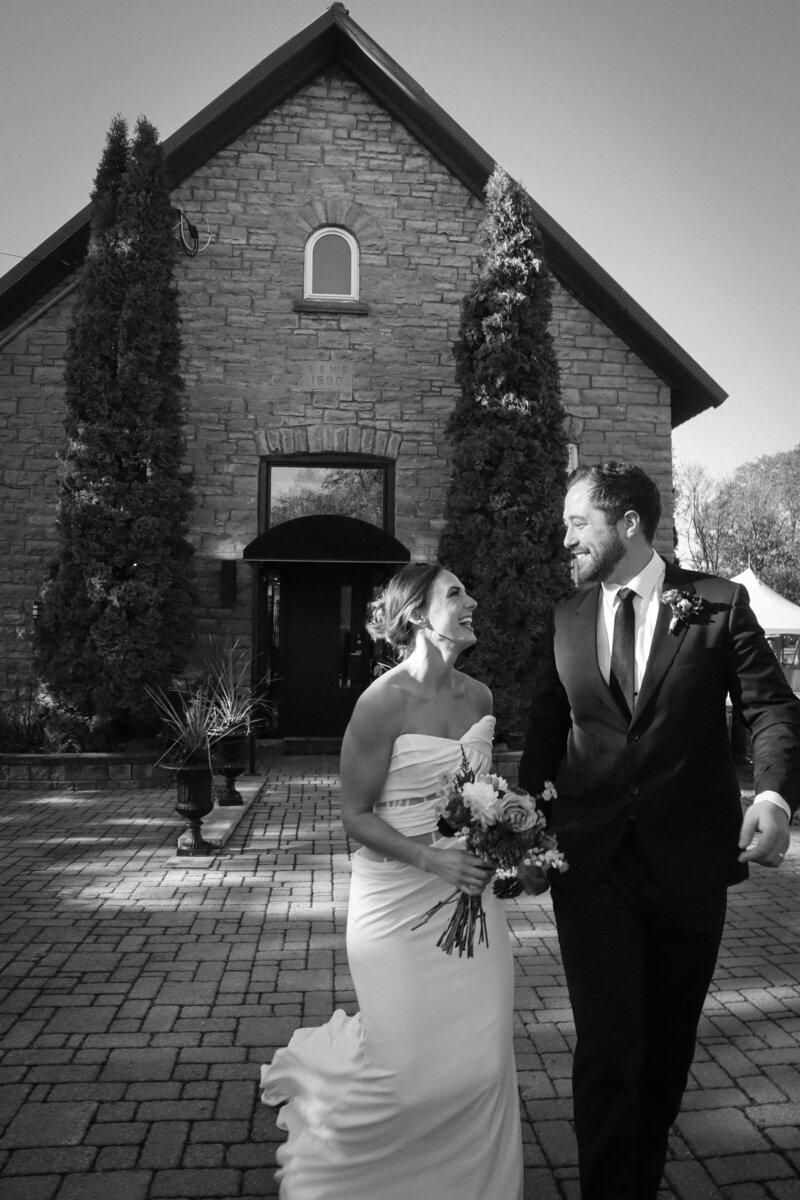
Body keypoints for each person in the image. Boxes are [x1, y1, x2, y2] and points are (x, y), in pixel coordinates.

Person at [519, 461, 800, 1200]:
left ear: (628, 524)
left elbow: (771, 708)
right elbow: (544, 732)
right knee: (608, 1050)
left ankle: (639, 1178)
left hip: (690, 865)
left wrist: (773, 796)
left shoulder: (718, 603)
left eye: (577, 522)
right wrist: (526, 829)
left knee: (668, 1049)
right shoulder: (565, 617)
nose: (565, 538)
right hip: (592, 865)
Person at [261, 562, 524, 1200]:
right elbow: (354, 816)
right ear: (418, 616)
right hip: (396, 901)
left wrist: (514, 844)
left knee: (484, 1062)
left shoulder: (480, 698)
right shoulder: (380, 703)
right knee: (405, 1070)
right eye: (456, 593)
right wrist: (432, 860)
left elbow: (479, 796)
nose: (473, 601)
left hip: (470, 896)